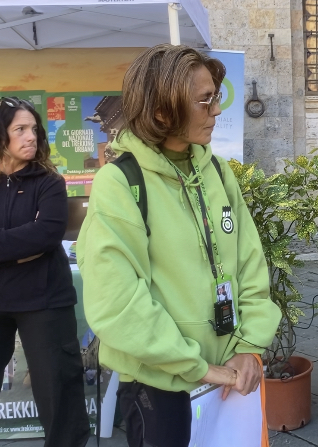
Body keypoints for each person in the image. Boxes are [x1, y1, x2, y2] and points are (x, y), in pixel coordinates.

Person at [77, 44, 281, 447]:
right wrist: (197, 367)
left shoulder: (219, 173)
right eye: (204, 101)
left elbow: (250, 267)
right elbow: (117, 301)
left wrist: (248, 347)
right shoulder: (120, 183)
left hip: (229, 375)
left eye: (215, 98)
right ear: (161, 111)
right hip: (160, 385)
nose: (216, 111)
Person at [0, 97, 90, 447]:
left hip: (46, 300)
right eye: (19, 129)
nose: (31, 136)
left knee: (58, 388)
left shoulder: (50, 182)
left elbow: (47, 234)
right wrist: (19, 249)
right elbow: (30, 240)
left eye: (34, 128)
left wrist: (23, 244)